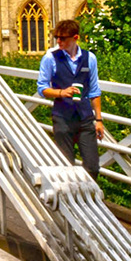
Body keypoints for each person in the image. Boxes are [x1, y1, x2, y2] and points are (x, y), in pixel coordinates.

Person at [37, 19, 104, 179]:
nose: (58, 41)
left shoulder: (90, 58)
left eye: (62, 38)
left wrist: (99, 120)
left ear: (75, 37)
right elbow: (42, 88)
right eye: (56, 38)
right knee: (65, 167)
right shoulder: (50, 58)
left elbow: (94, 90)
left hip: (85, 118)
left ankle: (87, 200)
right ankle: (66, 202)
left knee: (92, 167)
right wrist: (61, 93)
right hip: (62, 118)